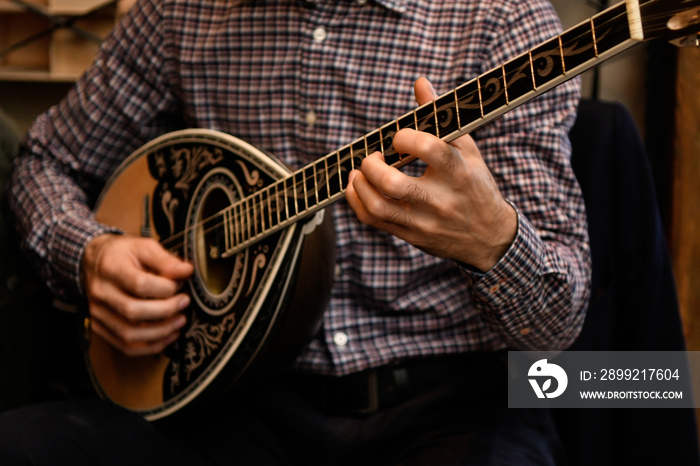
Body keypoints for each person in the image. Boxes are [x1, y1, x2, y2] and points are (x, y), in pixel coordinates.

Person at [1, 0, 590, 464]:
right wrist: (89, 254)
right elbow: (46, 162)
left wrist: (494, 244)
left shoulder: (501, 18)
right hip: (234, 397)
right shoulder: (180, 12)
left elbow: (559, 325)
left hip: (447, 409)